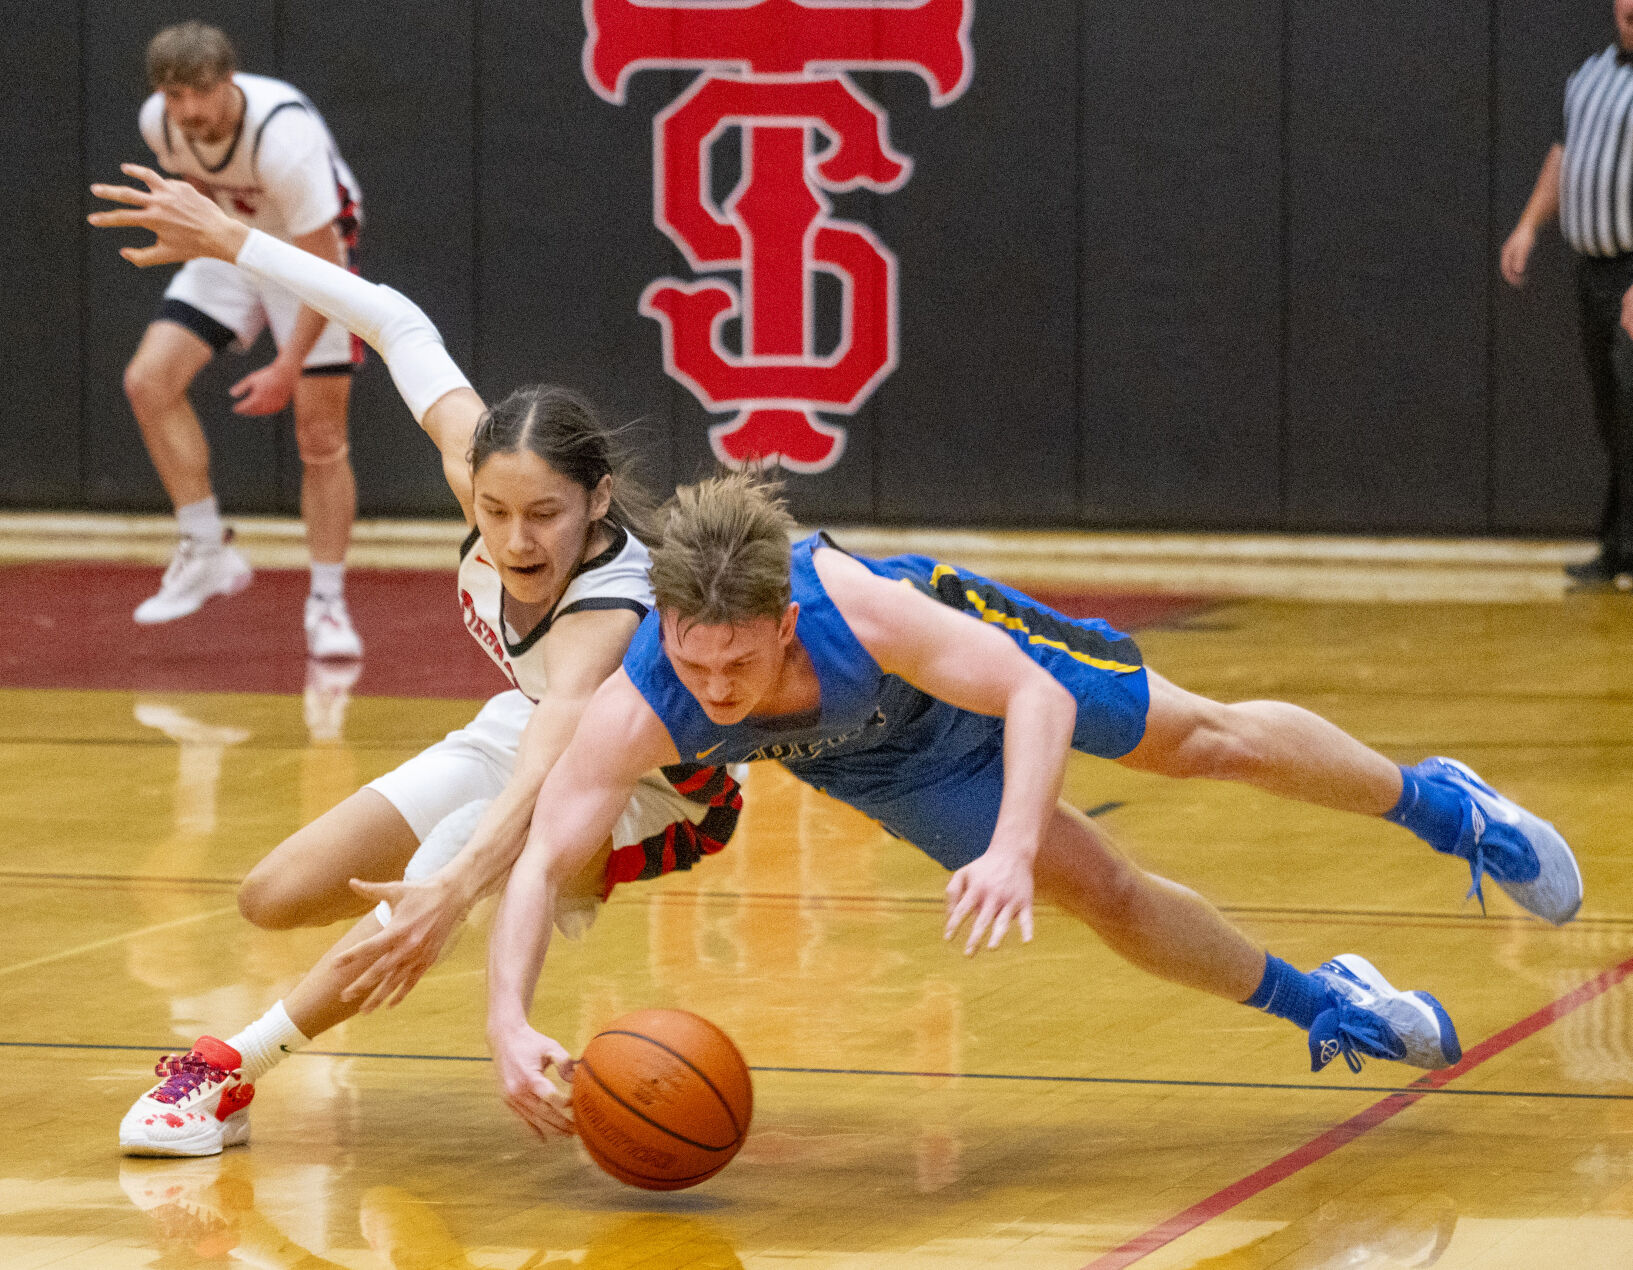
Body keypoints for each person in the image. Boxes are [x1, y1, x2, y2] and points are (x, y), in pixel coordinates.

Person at [484, 474, 1583, 1140]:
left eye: (738, 662)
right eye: (695, 663)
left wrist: (1010, 848)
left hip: (981, 677)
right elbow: (539, 862)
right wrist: (507, 1021)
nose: (716, 689)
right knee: (1103, 890)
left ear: (782, 624)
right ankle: (1327, 1005)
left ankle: (1446, 810)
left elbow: (1034, 697)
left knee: (1201, 742)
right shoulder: (641, 703)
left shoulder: (858, 607)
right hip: (879, 762)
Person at [90, 165, 741, 1157]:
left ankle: (226, 1074)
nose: (515, 538)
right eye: (495, 510)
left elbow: (549, 770)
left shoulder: (607, 614)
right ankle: (399, 932)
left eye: (545, 514)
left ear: (598, 500)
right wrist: (235, 242)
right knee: (275, 894)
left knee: (445, 869)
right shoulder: (480, 473)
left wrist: (458, 884)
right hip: (528, 726)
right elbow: (395, 320)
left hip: (654, 783)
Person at [122, 21, 368, 654]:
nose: (188, 110)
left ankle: (328, 604)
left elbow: (326, 266)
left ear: (229, 82)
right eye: (174, 96)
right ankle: (206, 547)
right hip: (232, 240)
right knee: (148, 381)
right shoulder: (160, 123)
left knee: (320, 437)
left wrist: (288, 365)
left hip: (311, 257)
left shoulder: (284, 140)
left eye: (200, 93)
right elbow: (202, 195)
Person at [1501, 0, 1633, 590]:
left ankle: (1622, 545)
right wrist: (1529, 225)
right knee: (1612, 412)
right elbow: (1564, 154)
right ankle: (1622, 545)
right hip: (1593, 270)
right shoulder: (1587, 76)